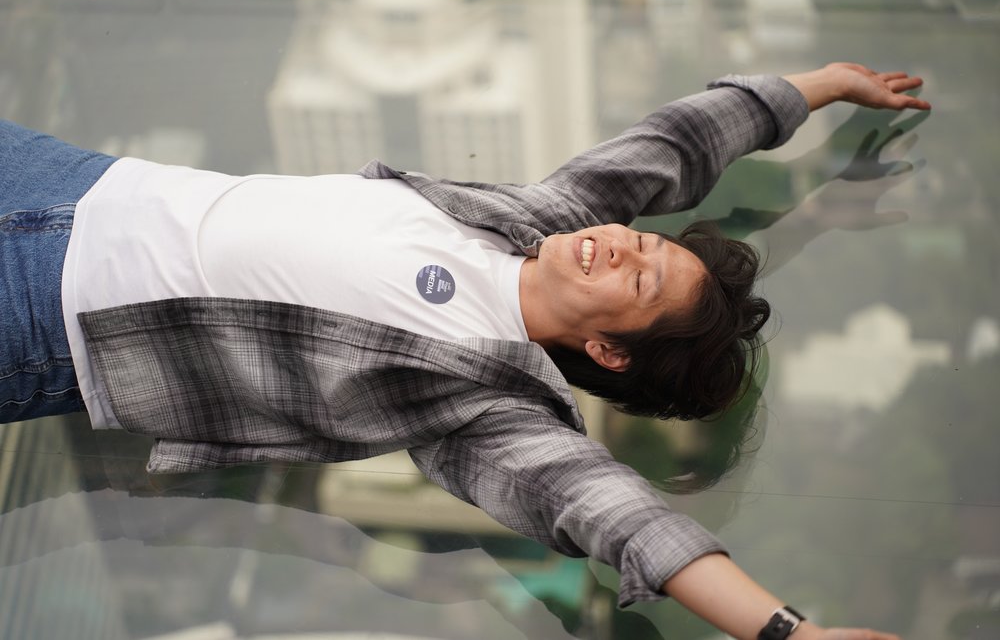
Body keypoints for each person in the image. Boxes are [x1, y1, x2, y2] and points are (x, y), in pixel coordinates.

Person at [0, 62, 929, 639]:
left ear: (608, 351)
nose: (621, 245)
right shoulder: (537, 218)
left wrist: (787, 631)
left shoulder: (485, 407)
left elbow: (620, 517)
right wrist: (819, 87)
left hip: (47, 318)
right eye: (645, 243)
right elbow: (673, 145)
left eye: (640, 280)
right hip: (77, 182)